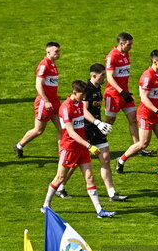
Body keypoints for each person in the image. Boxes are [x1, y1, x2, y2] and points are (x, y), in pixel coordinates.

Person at [40, 80, 115, 219]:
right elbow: (71, 132)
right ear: (74, 92)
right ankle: (46, 205)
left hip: (82, 148)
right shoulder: (66, 108)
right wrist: (89, 146)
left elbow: (81, 123)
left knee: (90, 177)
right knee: (60, 177)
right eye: (82, 94)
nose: (84, 97)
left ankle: (99, 210)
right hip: (69, 148)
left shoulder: (79, 104)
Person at [115, 50, 158, 176]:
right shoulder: (147, 76)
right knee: (143, 144)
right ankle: (121, 159)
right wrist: (157, 111)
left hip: (157, 113)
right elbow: (143, 98)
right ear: (154, 61)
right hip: (146, 114)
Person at [79, 64, 127, 201]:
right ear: (93, 75)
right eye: (102, 76)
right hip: (86, 130)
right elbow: (83, 111)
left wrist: (99, 124)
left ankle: (112, 193)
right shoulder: (87, 89)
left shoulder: (98, 88)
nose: (104, 78)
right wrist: (97, 122)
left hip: (97, 128)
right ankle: (60, 186)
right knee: (75, 162)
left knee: (105, 158)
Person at [14, 42, 62, 158]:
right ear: (48, 52)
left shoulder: (53, 65)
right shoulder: (44, 65)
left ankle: (62, 156)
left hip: (55, 102)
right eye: (56, 52)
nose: (58, 54)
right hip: (44, 103)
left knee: (63, 129)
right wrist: (46, 101)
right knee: (38, 130)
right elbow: (38, 85)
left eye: (59, 51)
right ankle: (19, 145)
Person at [103, 33, 147, 155]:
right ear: (121, 43)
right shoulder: (112, 57)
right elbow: (109, 77)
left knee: (133, 119)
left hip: (125, 94)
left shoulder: (125, 54)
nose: (131, 47)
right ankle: (97, 144)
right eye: (129, 44)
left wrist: (124, 92)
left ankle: (138, 148)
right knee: (109, 121)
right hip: (113, 95)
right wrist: (121, 91)